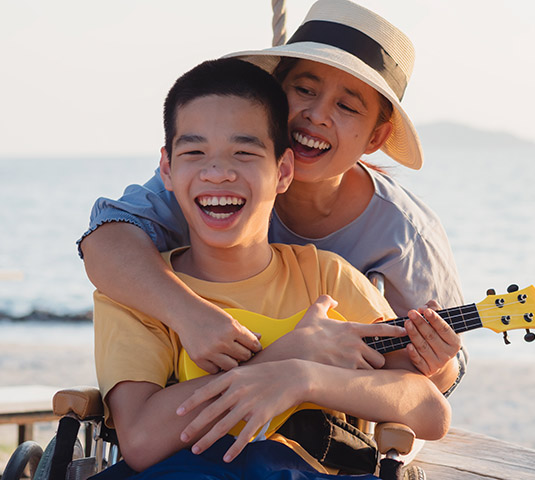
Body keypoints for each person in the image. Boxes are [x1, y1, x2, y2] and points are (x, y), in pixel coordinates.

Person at [79, 0, 465, 393]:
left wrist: (436, 362)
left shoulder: (406, 233)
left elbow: (440, 372)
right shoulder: (218, 181)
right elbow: (106, 241)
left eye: (346, 106)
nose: (317, 115)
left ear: (376, 138)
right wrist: (191, 316)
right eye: (303, 89)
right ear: (275, 94)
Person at [92, 57, 451, 479]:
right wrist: (284, 354)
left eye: (244, 153)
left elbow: (428, 408)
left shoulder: (328, 278)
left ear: (283, 171)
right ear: (167, 170)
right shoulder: (142, 290)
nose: (218, 172)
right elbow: (142, 441)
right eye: (194, 152)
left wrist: (303, 377)